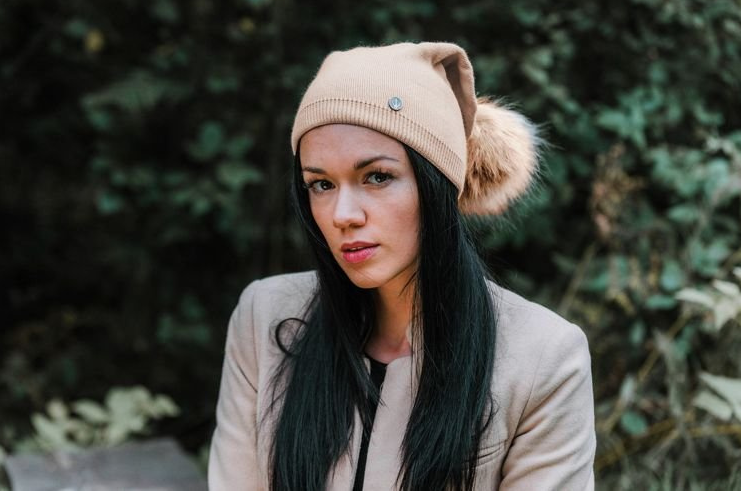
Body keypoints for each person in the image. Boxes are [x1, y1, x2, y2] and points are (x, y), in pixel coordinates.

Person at [208, 42, 596, 490]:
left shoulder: (543, 357)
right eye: (321, 184)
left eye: (377, 177)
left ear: (436, 184)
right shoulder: (264, 317)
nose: (342, 215)